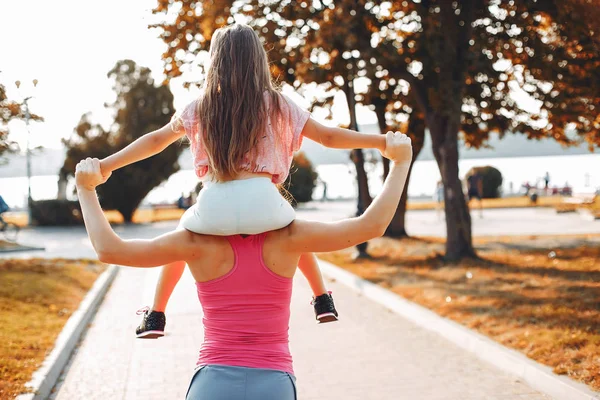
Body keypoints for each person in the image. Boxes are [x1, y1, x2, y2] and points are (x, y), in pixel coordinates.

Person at [98, 24, 388, 338]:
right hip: (265, 204)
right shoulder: (278, 103)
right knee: (294, 233)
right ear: (259, 60)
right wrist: (382, 142)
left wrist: (106, 165)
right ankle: (321, 299)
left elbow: (155, 141)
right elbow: (330, 137)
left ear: (214, 62)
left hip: (214, 208)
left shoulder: (200, 106)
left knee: (182, 240)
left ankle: (155, 315)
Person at [74, 131, 412, 400]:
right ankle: (321, 297)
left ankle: (156, 313)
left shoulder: (193, 241)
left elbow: (110, 249)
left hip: (212, 383)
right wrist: (400, 163)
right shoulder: (291, 236)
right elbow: (370, 226)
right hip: (275, 384)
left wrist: (86, 189)